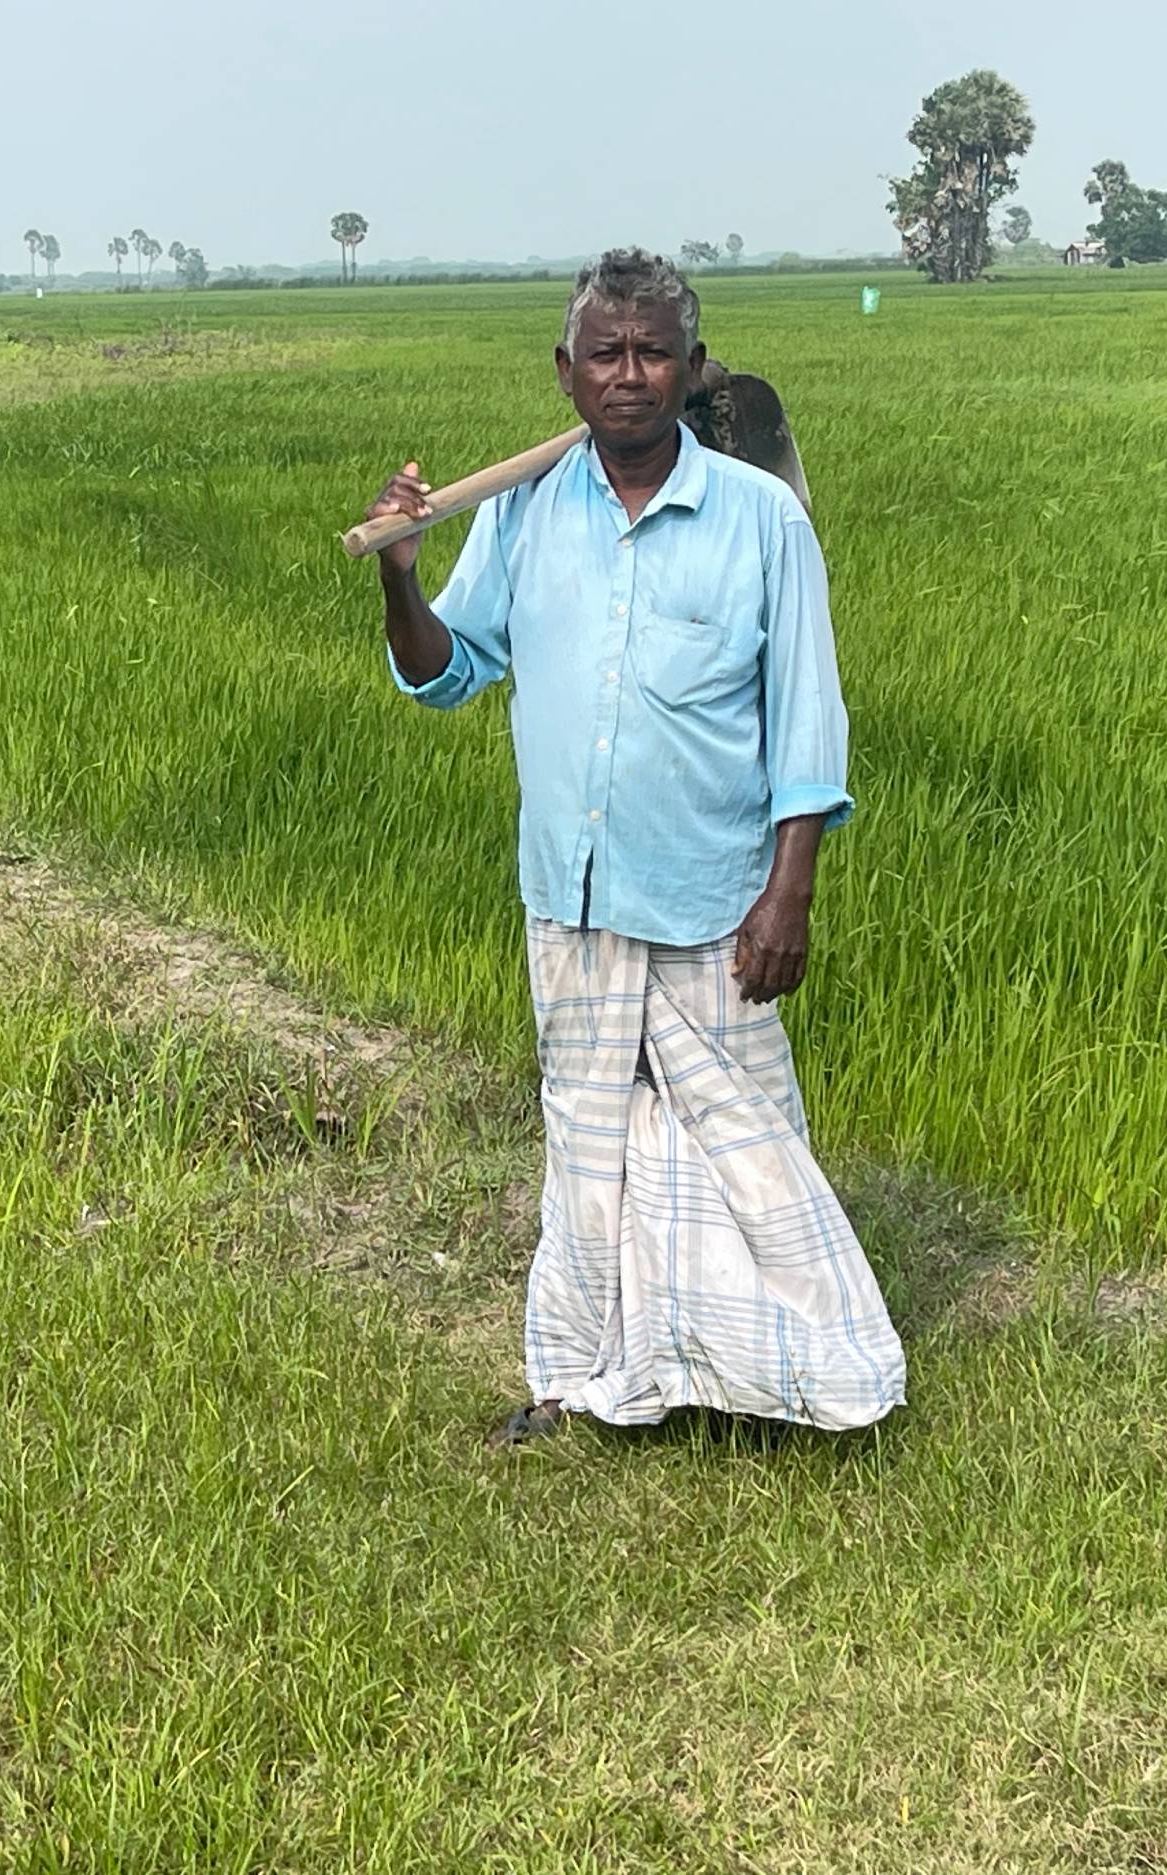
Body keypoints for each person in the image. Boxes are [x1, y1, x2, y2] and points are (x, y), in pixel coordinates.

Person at [367, 249, 904, 1445]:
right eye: (603, 353)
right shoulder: (517, 512)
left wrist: (789, 893)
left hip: (715, 902)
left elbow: (806, 717)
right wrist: (403, 579)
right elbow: (446, 671)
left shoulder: (760, 519)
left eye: (652, 352)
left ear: (691, 367)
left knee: (745, 1154)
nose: (628, 374)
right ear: (565, 372)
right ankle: (577, 1375)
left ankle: (791, 1376)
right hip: (571, 899)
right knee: (588, 1146)